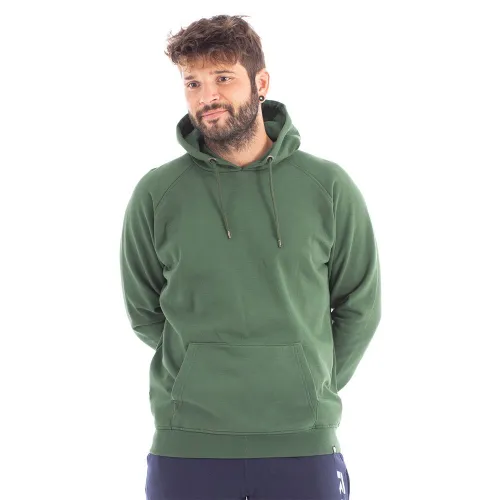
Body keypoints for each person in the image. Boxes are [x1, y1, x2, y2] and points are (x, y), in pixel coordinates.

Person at [119, 13, 381, 500]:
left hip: (303, 442)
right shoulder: (157, 193)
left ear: (261, 83)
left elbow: (359, 306)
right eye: (193, 83)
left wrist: (308, 381)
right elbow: (143, 310)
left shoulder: (327, 187)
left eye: (223, 78)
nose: (207, 97)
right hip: (188, 443)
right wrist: (198, 370)